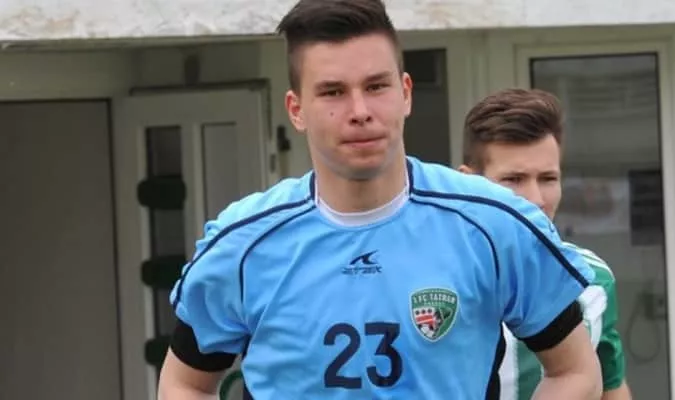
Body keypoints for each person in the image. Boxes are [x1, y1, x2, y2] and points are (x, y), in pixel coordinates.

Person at [157, 1, 603, 399]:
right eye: (333, 92)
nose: (360, 111)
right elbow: (184, 384)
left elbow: (576, 372)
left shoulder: (495, 224)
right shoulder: (241, 244)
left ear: (405, 93)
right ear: (296, 110)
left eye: (376, 86)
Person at [459, 88, 632, 400]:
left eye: (548, 179)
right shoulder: (432, 278)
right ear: (468, 183)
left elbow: (612, 389)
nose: (536, 199)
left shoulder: (592, 279)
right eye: (514, 180)